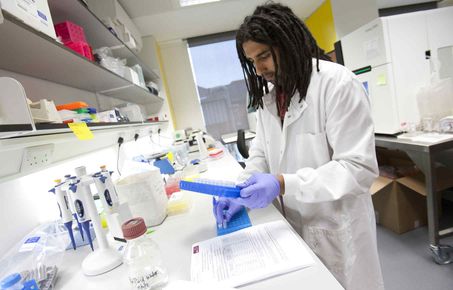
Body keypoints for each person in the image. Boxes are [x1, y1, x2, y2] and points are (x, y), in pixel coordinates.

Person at [213, 2, 385, 290]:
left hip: (336, 228)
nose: (258, 69)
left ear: (288, 43)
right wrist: (239, 190)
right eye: (252, 61)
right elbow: (260, 155)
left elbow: (358, 169)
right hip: (290, 231)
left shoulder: (337, 84)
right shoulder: (270, 99)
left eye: (264, 56)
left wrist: (282, 183)